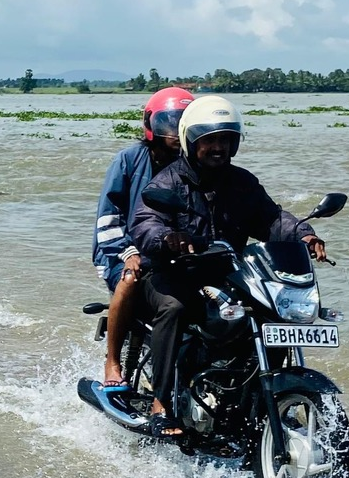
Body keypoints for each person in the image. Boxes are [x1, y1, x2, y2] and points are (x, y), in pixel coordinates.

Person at [131, 95, 326, 437]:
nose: (218, 147)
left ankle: (254, 401)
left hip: (226, 275)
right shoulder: (167, 183)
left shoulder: (242, 182)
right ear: (192, 141)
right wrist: (167, 238)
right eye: (210, 140)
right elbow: (146, 222)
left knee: (271, 311)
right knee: (174, 308)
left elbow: (271, 218)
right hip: (172, 274)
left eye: (225, 140)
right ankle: (162, 404)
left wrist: (303, 235)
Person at [92, 85, 193, 391]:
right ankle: (112, 361)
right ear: (150, 125)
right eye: (167, 123)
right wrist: (127, 251)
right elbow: (108, 218)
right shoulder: (129, 160)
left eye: (182, 123)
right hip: (122, 253)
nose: (174, 132)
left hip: (173, 254)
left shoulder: (195, 163)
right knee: (129, 279)